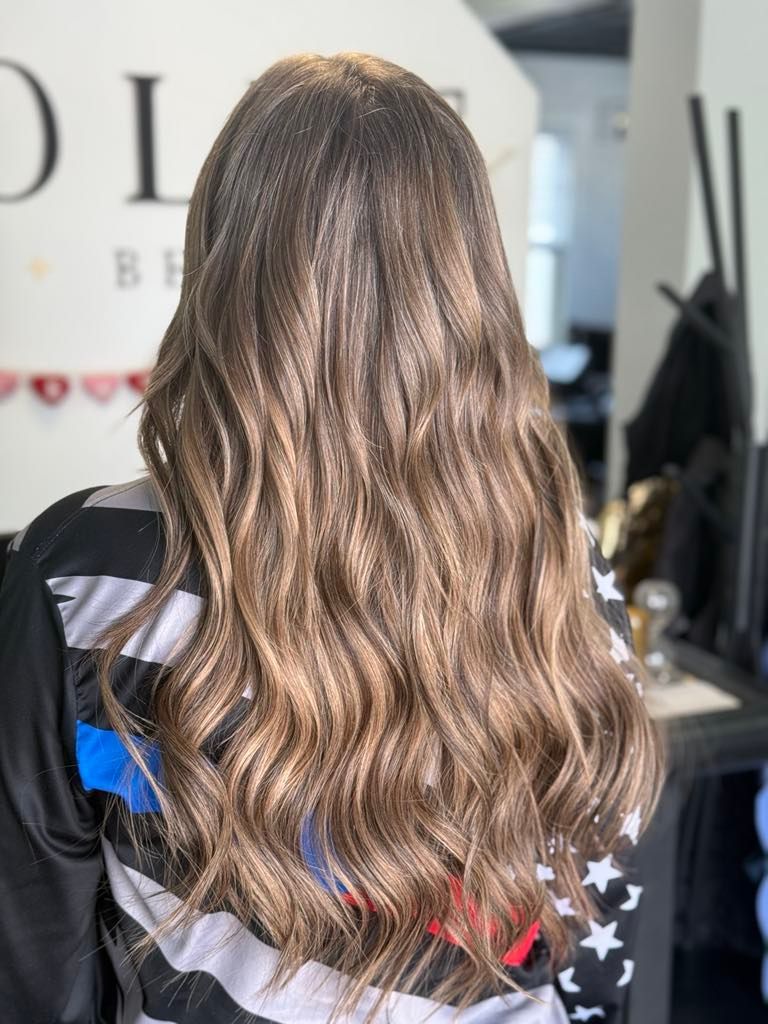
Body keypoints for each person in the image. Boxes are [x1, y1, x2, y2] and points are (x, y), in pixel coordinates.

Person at [0, 52, 662, 1024]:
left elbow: (33, 956)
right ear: (466, 279)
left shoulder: (83, 570)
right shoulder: (554, 558)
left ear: (225, 264)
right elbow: (596, 934)